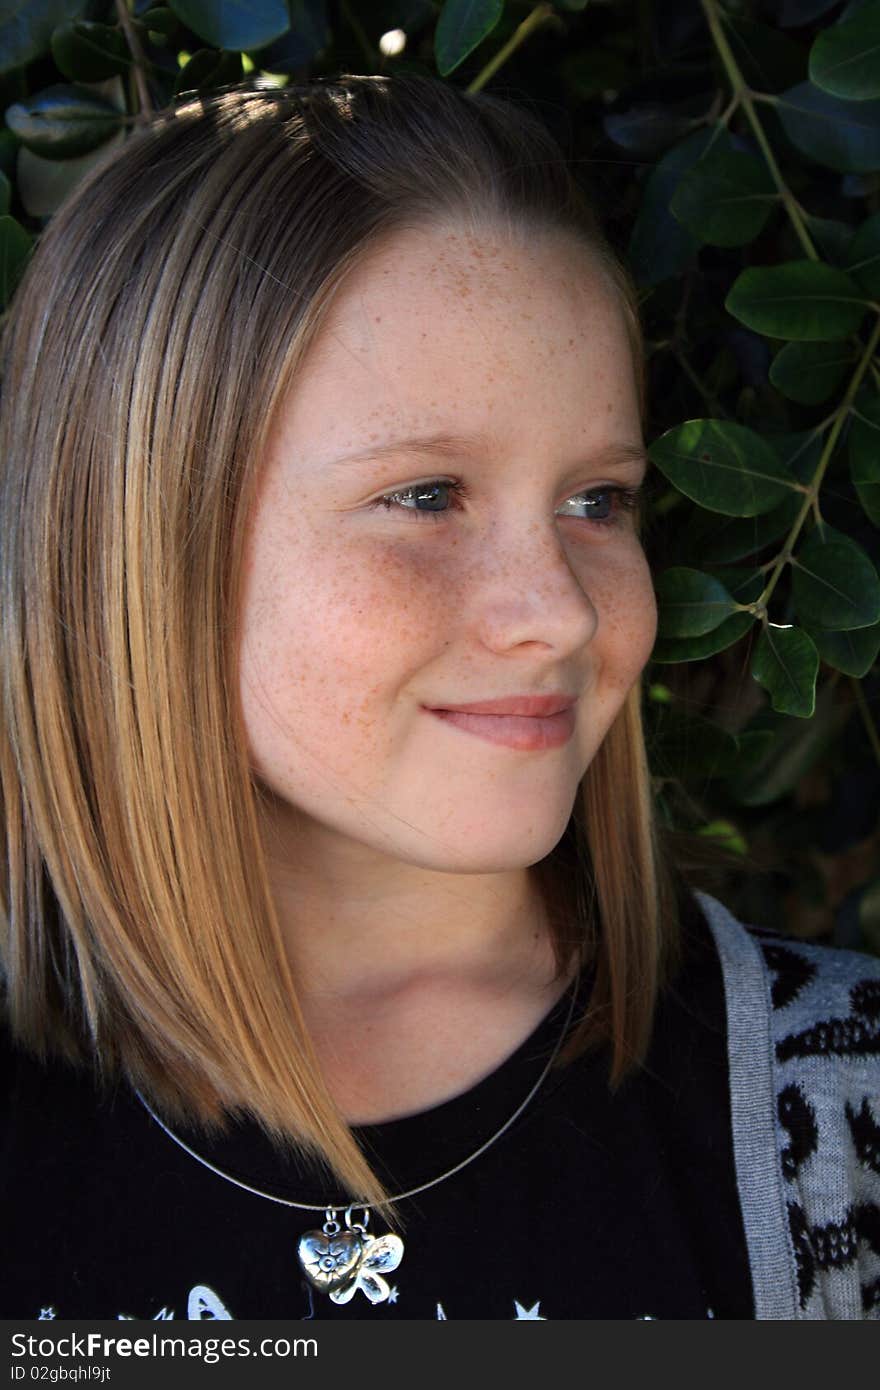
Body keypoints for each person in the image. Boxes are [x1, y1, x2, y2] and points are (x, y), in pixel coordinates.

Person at [0, 74, 877, 1322]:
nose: (561, 611)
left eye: (597, 501)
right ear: (137, 545)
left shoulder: (848, 1114)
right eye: (425, 496)